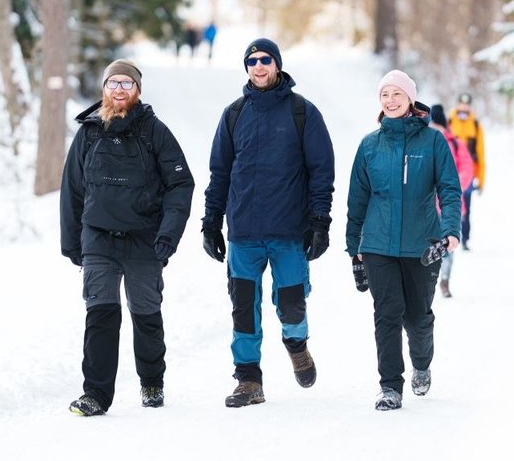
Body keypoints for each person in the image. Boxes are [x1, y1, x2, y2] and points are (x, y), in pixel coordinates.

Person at [202, 38, 335, 408]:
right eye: (251, 61)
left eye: (265, 60)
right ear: (246, 68)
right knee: (243, 308)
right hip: (243, 233)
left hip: (289, 231)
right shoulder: (233, 114)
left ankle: (296, 344)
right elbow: (219, 172)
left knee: (292, 305)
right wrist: (211, 222)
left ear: (277, 64)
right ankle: (249, 380)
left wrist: (319, 221)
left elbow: (321, 171)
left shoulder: (302, 112)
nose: (258, 66)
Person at [60, 59, 194, 416]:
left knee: (146, 314)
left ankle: (152, 381)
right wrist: (71, 241)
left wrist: (169, 234)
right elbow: (72, 189)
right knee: (100, 315)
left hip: (143, 239)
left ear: (137, 90)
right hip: (99, 238)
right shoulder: (88, 133)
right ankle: (96, 395)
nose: (119, 90)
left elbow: (181, 184)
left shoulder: (155, 132)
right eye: (113, 83)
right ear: (104, 89)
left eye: (126, 84)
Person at [346, 70, 462, 411]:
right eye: (385, 95)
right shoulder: (369, 145)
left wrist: (451, 229)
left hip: (422, 245)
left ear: (410, 99)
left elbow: (450, 190)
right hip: (378, 245)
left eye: (397, 94)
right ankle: (390, 386)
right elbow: (357, 199)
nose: (391, 100)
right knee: (387, 314)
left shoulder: (433, 141)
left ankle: (422, 363)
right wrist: (354, 248)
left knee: (417, 317)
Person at [430, 103, 474, 298]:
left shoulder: (455, 143)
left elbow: (467, 169)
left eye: (437, 126)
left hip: (449, 205)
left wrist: (453, 188)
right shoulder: (422, 143)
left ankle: (445, 280)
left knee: (448, 244)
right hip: (427, 207)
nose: (434, 129)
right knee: (429, 245)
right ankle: (430, 279)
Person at [448, 92, 485, 250]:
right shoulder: (449, 121)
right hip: (450, 171)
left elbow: (481, 153)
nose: (464, 107)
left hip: (469, 174)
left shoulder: (475, 125)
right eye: (461, 103)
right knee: (450, 204)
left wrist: (481, 180)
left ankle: (465, 238)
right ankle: (449, 236)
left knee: (466, 207)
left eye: (467, 104)